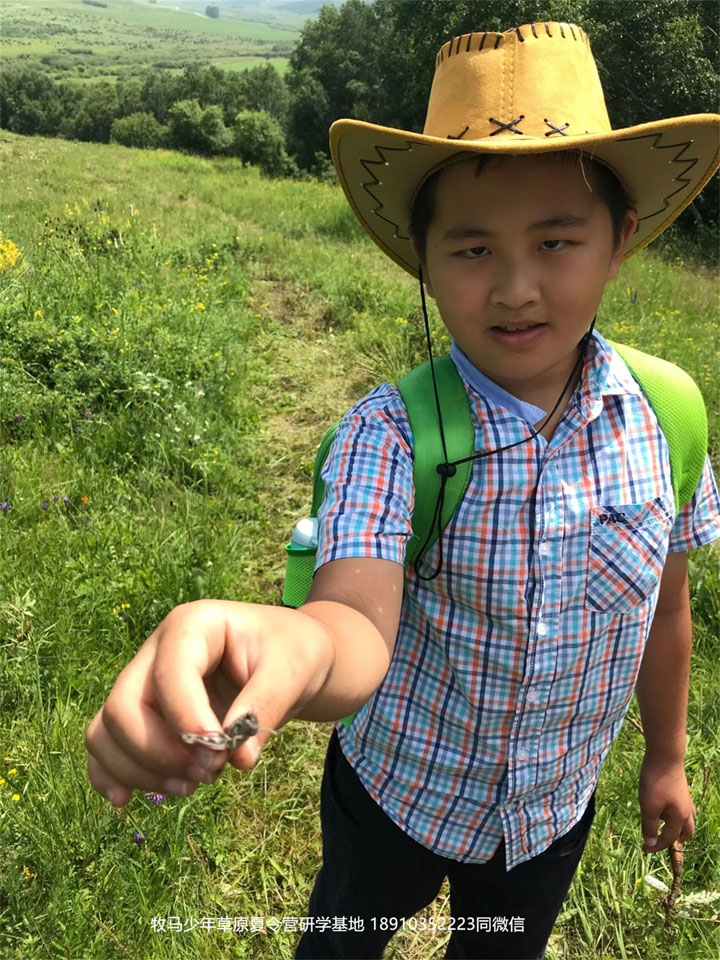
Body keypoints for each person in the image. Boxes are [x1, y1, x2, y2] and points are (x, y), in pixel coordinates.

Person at [85, 20, 720, 960]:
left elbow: (667, 604)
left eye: (556, 240)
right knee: (343, 938)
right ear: (421, 259)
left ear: (621, 240)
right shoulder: (391, 436)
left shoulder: (668, 414)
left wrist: (664, 760)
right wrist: (288, 644)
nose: (514, 288)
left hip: (550, 815)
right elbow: (349, 624)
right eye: (470, 250)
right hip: (396, 789)